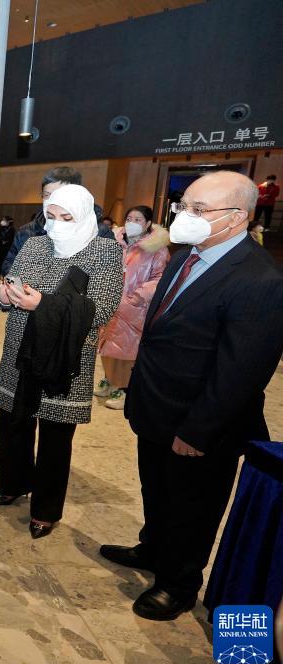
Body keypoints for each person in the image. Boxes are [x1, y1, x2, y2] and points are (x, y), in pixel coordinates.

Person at [101, 171, 283, 621]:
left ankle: (178, 584)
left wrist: (199, 430)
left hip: (201, 422)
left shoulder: (261, 279)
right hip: (156, 406)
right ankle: (152, 548)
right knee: (157, 489)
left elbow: (242, 371)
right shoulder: (186, 255)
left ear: (237, 217)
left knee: (193, 506)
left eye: (199, 210)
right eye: (184, 207)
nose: (185, 216)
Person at [0, 184, 123, 539]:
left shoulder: (104, 251)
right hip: (20, 349)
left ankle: (45, 510)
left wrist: (42, 304)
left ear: (84, 217)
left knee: (55, 438)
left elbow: (102, 308)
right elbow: (12, 287)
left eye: (66, 217)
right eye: (50, 216)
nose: (56, 224)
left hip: (65, 358)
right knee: (14, 423)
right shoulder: (35, 244)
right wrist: (6, 296)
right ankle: (14, 484)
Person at [94, 206, 170, 411]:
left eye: (138, 219)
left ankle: (125, 388)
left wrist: (138, 296)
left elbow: (160, 277)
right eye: (129, 218)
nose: (132, 223)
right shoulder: (115, 242)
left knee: (128, 349)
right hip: (111, 302)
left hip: (136, 306)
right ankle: (110, 379)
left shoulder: (157, 249)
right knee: (107, 345)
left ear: (148, 224)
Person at [1, 166, 111, 277]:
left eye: (59, 194)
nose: (52, 200)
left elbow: (105, 278)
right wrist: (17, 283)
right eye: (47, 195)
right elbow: (9, 266)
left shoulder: (100, 233)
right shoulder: (27, 231)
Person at [0, 216, 15, 282]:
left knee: (6, 265)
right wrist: (1, 240)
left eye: (4, 220)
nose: (2, 221)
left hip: (7, 250)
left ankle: (5, 280)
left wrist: (4, 240)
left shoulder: (12, 229)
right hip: (0, 249)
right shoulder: (1, 228)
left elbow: (10, 239)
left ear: (8, 221)